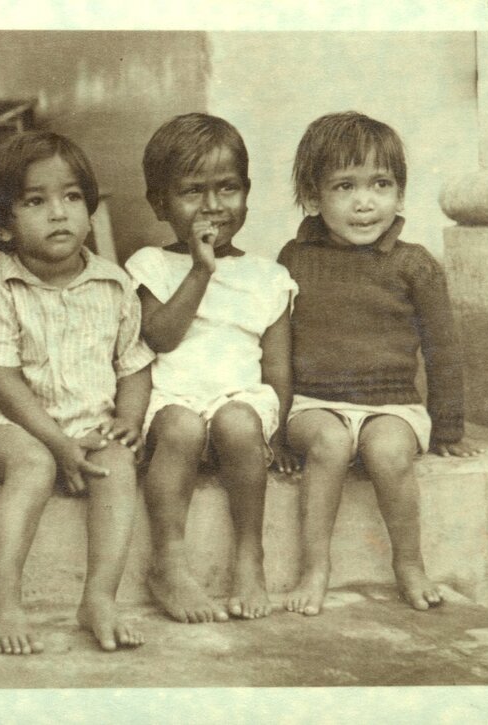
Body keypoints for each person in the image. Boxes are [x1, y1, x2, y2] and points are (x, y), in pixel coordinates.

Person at [277, 111, 482, 617]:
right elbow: (273, 346)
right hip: (314, 403)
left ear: (399, 192)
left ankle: (409, 565)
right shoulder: (294, 258)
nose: (365, 202)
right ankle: (315, 568)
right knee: (330, 443)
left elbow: (443, 348)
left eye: (381, 184)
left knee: (388, 452)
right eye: (345, 186)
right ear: (312, 195)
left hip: (393, 404)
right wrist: (276, 431)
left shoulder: (415, 264)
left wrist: (448, 428)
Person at [0, 130, 154, 654]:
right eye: (35, 201)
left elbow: (134, 364)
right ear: (4, 227)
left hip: (91, 423)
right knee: (33, 467)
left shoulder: (114, 285)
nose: (58, 213)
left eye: (72, 197)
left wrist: (129, 419)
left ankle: (100, 596)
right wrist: (55, 443)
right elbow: (3, 382)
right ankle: (2, 598)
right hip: (16, 426)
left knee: (118, 464)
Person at [126, 113, 297, 624]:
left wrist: (280, 435)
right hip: (170, 404)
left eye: (227, 189)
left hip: (238, 404)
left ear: (246, 193)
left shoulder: (270, 277)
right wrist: (201, 270)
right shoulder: (149, 265)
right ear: (160, 203)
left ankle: (250, 557)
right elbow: (159, 336)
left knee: (239, 423)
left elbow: (278, 369)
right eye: (192, 192)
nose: (212, 206)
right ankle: (170, 563)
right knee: (181, 425)